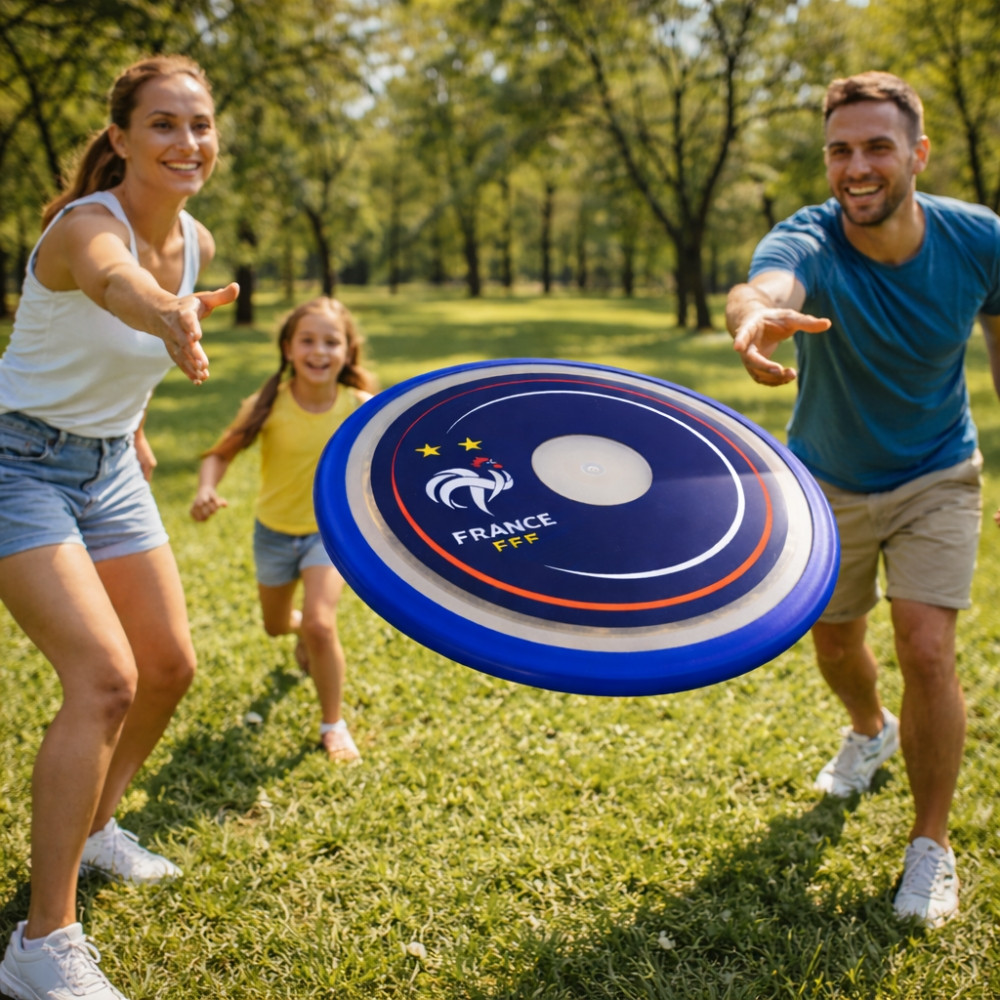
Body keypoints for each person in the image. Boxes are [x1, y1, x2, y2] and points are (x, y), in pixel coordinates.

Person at [726, 70, 1000, 928]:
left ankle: (931, 845)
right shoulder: (808, 239)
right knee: (837, 643)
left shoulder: (978, 239)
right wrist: (754, 317)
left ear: (916, 153)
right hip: (827, 480)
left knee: (926, 648)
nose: (857, 166)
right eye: (840, 150)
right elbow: (767, 285)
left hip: (937, 474)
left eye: (877, 146)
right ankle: (870, 728)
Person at [0, 55, 238, 1000]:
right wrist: (165, 313)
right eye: (165, 125)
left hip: (104, 467)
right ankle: (40, 940)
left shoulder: (200, 242)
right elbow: (111, 290)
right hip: (16, 463)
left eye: (201, 125)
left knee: (171, 667)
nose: (188, 143)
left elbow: (115, 352)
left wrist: (131, 424)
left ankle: (95, 828)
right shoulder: (81, 229)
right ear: (122, 139)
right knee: (104, 680)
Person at [190, 296, 375, 763]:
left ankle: (333, 724)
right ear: (288, 348)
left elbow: (392, 465)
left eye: (331, 341)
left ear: (348, 351)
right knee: (276, 626)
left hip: (328, 536)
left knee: (320, 622)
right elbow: (219, 453)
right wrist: (206, 490)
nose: (319, 351)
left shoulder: (361, 408)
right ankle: (300, 636)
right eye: (307, 340)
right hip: (273, 533)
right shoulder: (268, 404)